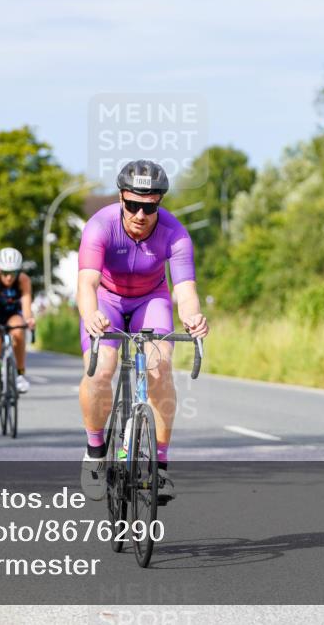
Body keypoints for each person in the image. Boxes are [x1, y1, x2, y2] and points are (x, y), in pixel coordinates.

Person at [77, 160, 210, 503]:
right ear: (121, 198)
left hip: (151, 300)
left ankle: (159, 467)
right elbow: (86, 283)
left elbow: (185, 290)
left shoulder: (175, 233)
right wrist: (91, 315)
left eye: (149, 207)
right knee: (101, 368)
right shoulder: (100, 226)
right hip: (106, 300)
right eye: (133, 205)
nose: (140, 214)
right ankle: (95, 452)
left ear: (159, 203)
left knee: (160, 367)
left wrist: (193, 317)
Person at [0, 247, 36, 420]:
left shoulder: (23, 280)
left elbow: (26, 306)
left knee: (19, 328)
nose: (9, 277)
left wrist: (29, 319)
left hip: (12, 316)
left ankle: (20, 375)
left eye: (13, 273)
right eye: (5, 273)